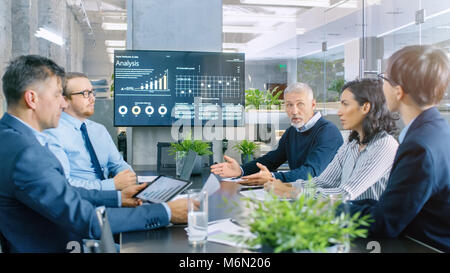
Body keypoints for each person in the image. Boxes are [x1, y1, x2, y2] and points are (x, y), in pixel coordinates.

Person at [0, 55, 188, 252]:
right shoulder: (27, 153)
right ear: (32, 99)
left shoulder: (10, 138)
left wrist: (117, 198)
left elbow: (61, 192)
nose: (63, 105)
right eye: (57, 95)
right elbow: (86, 219)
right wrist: (166, 212)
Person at [346, 45, 450, 252]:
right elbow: (396, 204)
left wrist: (328, 210)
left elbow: (384, 223)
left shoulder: (418, 147)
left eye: (384, 78)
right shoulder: (438, 131)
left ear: (399, 91)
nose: (380, 85)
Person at [266, 78, 399, 201]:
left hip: (369, 224)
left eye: (345, 104)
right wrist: (285, 186)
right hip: (346, 218)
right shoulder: (351, 144)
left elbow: (344, 194)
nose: (339, 112)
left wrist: (290, 192)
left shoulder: (384, 145)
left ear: (365, 107)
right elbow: (323, 182)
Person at [211, 82, 343, 185]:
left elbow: (311, 172)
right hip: (299, 193)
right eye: (289, 105)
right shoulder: (293, 131)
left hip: (325, 200)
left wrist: (272, 177)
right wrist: (241, 170)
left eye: (300, 104)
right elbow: (271, 160)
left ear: (313, 104)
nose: (294, 111)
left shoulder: (328, 132)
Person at [43, 72, 135, 191]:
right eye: (85, 93)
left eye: (92, 92)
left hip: (113, 196)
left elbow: (118, 164)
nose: (93, 98)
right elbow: (64, 184)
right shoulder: (53, 133)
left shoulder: (99, 130)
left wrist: (131, 181)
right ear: (64, 100)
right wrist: (112, 185)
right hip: (83, 202)